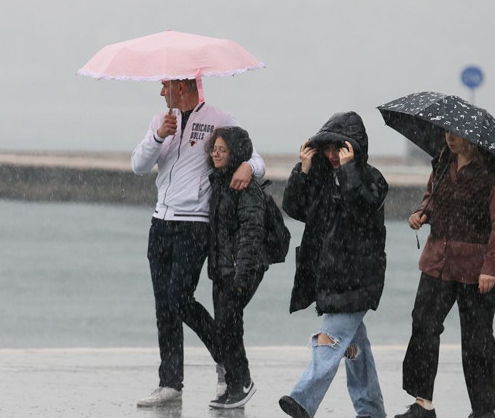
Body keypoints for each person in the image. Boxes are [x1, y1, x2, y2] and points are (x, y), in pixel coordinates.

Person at [131, 79, 265, 407]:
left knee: (179, 298)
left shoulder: (220, 119)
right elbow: (138, 166)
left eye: (165, 85)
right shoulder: (160, 121)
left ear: (182, 86)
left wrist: (247, 166)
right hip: (160, 223)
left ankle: (227, 360)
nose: (161, 92)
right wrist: (158, 136)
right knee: (164, 306)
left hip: (194, 225)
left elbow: (257, 160)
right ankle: (170, 383)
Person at [278, 111, 388, 418]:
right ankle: (371, 411)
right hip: (329, 276)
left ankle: (303, 399)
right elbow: (294, 208)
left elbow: (361, 209)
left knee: (330, 338)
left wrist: (349, 171)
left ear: (353, 148)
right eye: (327, 148)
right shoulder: (321, 177)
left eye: (338, 148)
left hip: (358, 277)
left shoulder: (373, 179)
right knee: (355, 349)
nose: (331, 155)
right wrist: (302, 170)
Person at [395, 130, 495, 418]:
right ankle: (423, 405)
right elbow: (432, 196)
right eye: (447, 132)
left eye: (456, 134)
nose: (449, 138)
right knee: (423, 324)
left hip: (477, 268)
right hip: (438, 260)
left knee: (476, 341)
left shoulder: (493, 172)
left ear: (472, 138)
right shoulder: (443, 161)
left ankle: (483, 412)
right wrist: (422, 212)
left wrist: (490, 267)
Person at [205, 126, 268, 409]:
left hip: (241, 269)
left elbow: (251, 233)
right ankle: (234, 384)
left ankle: (242, 382)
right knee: (226, 326)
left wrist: (242, 276)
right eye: (214, 149)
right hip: (222, 269)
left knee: (229, 325)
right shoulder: (219, 182)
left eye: (223, 150)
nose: (216, 154)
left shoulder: (245, 187)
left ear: (236, 154)